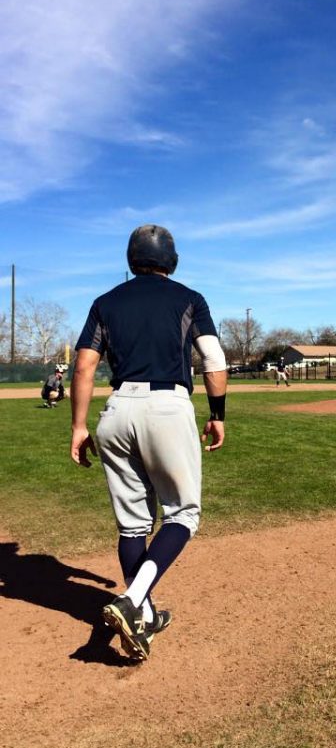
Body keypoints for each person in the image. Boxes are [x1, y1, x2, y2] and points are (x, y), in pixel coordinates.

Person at [70, 224, 227, 661]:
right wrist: (217, 416)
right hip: (166, 407)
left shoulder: (105, 303)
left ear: (131, 257)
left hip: (117, 411)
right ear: (171, 259)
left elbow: (84, 367)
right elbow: (213, 360)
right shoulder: (189, 299)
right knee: (183, 514)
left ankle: (142, 616)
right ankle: (131, 599)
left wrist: (79, 426)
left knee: (133, 525)